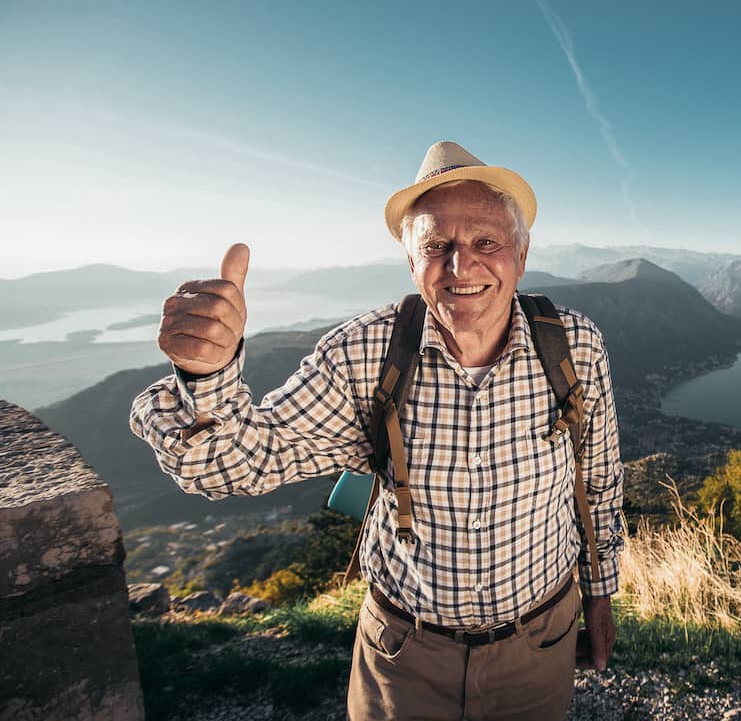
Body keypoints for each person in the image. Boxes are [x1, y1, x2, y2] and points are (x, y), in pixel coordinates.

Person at [130, 141, 624, 720]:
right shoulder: (364, 355)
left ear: (521, 251)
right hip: (405, 659)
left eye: (485, 242)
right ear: (411, 262)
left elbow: (597, 479)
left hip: (540, 643)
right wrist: (206, 373)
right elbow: (232, 467)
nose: (461, 266)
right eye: (436, 245)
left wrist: (600, 592)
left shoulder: (571, 344)